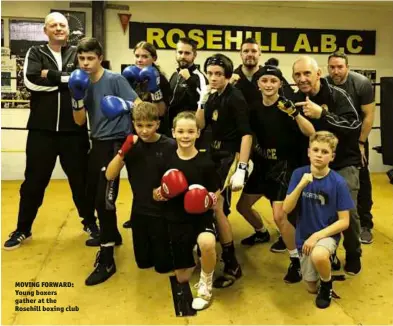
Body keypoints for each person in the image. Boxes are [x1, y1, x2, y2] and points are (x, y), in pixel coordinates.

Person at [3, 12, 98, 250]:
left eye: (62, 25)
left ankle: (90, 224)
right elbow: (31, 82)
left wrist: (51, 76)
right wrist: (67, 81)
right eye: (53, 25)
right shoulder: (35, 53)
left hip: (73, 130)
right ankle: (23, 229)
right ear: (45, 30)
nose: (58, 28)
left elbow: (85, 79)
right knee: (34, 182)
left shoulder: (77, 53)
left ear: (68, 30)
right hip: (41, 130)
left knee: (81, 181)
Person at [70, 37, 140, 285]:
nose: (86, 63)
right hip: (97, 143)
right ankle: (113, 235)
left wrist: (123, 104)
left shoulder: (115, 79)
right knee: (93, 194)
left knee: (104, 198)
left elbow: (141, 107)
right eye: (82, 58)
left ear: (100, 58)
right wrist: (77, 97)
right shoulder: (79, 82)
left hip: (117, 142)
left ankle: (108, 257)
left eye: (91, 58)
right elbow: (80, 121)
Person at [236, 65, 315, 283]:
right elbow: (247, 136)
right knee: (242, 206)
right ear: (258, 84)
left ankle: (296, 260)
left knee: (280, 216)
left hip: (284, 167)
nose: (269, 85)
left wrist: (296, 114)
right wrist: (241, 167)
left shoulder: (286, 107)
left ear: (280, 84)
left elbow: (312, 133)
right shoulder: (252, 108)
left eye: (273, 81)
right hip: (262, 166)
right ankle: (261, 231)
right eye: (264, 81)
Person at [292, 56, 362, 275]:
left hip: (343, 162)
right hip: (312, 164)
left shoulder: (337, 95)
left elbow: (354, 126)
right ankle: (324, 251)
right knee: (310, 210)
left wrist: (323, 114)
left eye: (307, 73)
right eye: (297, 75)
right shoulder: (294, 99)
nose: (302, 79)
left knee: (347, 211)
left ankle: (353, 253)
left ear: (318, 74)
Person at [196, 54, 253, 288]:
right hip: (212, 155)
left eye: (218, 74)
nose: (213, 78)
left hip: (230, 156)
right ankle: (219, 249)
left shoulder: (235, 97)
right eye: (210, 73)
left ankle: (232, 263)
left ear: (228, 75)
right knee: (212, 204)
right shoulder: (212, 96)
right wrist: (201, 101)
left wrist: (242, 167)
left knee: (216, 205)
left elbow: (246, 134)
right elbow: (200, 125)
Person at [153, 111, 220, 310]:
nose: (185, 136)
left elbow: (215, 189)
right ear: (173, 132)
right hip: (175, 217)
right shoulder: (166, 160)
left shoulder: (205, 162)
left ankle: (206, 283)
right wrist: (161, 193)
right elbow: (157, 192)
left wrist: (211, 198)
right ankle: (193, 255)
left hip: (201, 217)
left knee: (207, 243)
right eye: (181, 131)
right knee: (182, 277)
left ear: (198, 134)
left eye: (190, 131)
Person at [283, 131, 352, 309]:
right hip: (303, 236)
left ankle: (327, 283)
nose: (319, 155)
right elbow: (286, 208)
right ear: (308, 152)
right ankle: (325, 267)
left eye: (324, 152)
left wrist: (317, 237)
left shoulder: (338, 183)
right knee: (311, 288)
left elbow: (344, 221)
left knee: (319, 255)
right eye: (316, 150)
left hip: (325, 234)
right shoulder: (299, 174)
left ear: (332, 156)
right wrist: (300, 186)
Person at [105, 102, 176, 273]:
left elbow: (181, 176)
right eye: (139, 125)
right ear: (133, 123)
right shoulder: (130, 145)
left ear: (157, 124)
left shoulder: (169, 145)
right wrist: (123, 150)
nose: (144, 130)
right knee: (143, 263)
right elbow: (109, 175)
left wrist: (168, 191)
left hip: (163, 213)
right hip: (139, 212)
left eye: (149, 125)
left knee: (163, 267)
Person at [327, 51, 376, 244]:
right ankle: (334, 221)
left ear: (347, 67)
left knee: (361, 178)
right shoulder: (324, 83)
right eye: (332, 67)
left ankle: (365, 224)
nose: (336, 71)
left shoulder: (361, 83)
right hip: (333, 140)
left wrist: (361, 143)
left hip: (357, 138)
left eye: (340, 67)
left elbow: (369, 116)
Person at [122, 41, 171, 136]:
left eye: (145, 56)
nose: (140, 60)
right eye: (137, 56)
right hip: (135, 130)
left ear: (154, 58)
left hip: (156, 132)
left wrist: (155, 91)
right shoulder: (130, 77)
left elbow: (160, 112)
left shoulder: (160, 79)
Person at [231, 38, 294, 105]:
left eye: (254, 51)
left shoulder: (272, 75)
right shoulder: (230, 78)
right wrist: (228, 87)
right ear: (241, 54)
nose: (249, 54)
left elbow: (289, 99)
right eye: (246, 51)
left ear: (260, 53)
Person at [168, 37, 207, 130]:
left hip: (190, 130)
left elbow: (203, 103)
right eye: (180, 52)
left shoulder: (199, 77)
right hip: (172, 128)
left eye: (187, 53)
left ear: (194, 55)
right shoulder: (175, 75)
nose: (183, 56)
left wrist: (189, 79)